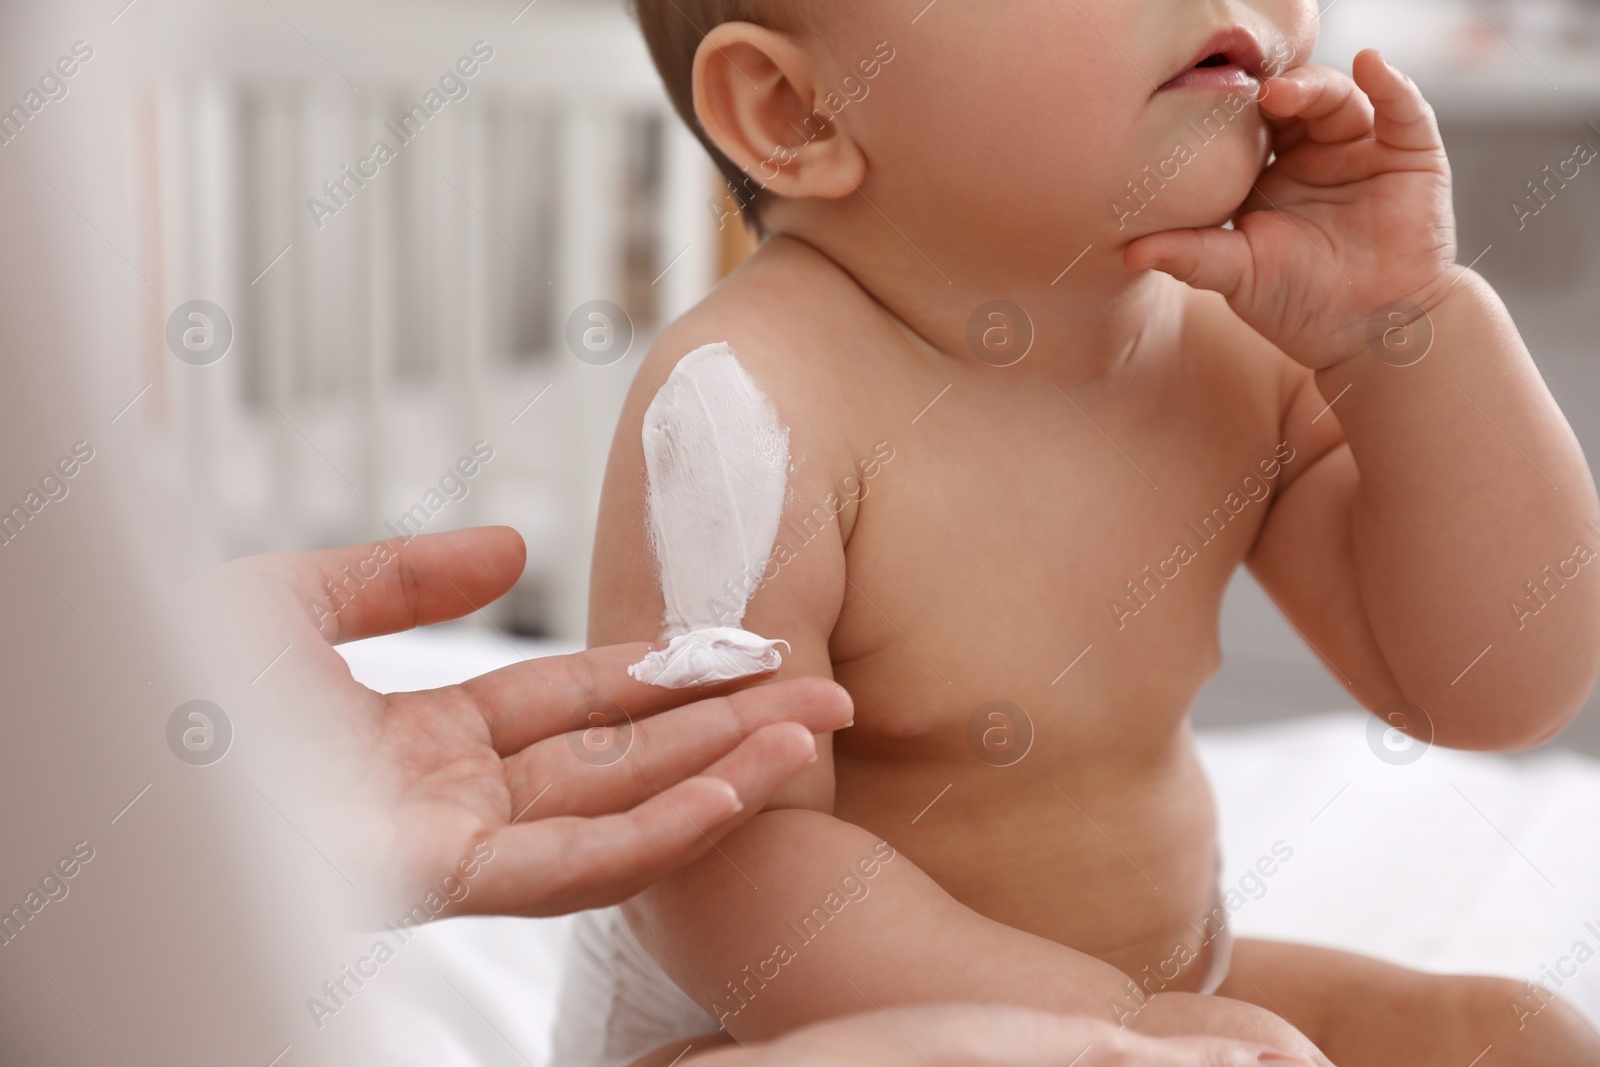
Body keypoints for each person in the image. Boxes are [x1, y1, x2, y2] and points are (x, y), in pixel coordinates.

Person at [561, 0, 1600, 1063]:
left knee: (1526, 1041)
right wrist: (1107, 1036)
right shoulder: (750, 404)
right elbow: (720, 870)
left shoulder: (1240, 344)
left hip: (1172, 997)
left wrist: (1404, 326)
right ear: (799, 110)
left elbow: (1491, 682)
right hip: (779, 1029)